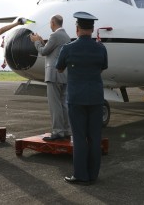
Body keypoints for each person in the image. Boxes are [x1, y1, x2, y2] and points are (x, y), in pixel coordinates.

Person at [56, 12, 108, 185]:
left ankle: (80, 175)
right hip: (96, 96)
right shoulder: (101, 48)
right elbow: (102, 68)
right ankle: (93, 175)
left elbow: (60, 69)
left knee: (79, 138)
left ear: (77, 29)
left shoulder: (68, 48)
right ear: (92, 29)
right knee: (94, 136)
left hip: (76, 98)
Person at [30, 15, 71, 141]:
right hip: (64, 74)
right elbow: (53, 50)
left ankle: (57, 131)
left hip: (53, 74)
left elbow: (43, 52)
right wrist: (42, 42)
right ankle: (66, 130)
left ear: (53, 22)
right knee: (63, 103)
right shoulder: (66, 36)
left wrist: (36, 41)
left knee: (55, 105)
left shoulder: (55, 36)